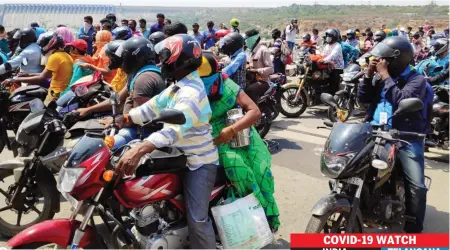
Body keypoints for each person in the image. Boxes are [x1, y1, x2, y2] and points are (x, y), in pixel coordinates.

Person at [115, 34, 218, 249]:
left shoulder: (191, 92)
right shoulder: (177, 86)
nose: (162, 62)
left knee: (197, 220)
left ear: (181, 59)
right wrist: (125, 118)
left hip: (197, 162)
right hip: (175, 157)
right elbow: (150, 108)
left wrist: (141, 149)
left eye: (165, 56)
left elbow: (172, 131)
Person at [198, 51, 280, 230]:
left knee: (260, 169)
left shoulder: (227, 84)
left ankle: (267, 215)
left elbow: (254, 111)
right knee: (238, 166)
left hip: (239, 130)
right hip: (215, 138)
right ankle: (254, 215)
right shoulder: (190, 89)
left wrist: (233, 129)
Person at [358, 36, 430, 233]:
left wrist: (384, 75)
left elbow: (401, 101)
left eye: (384, 60)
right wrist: (368, 76)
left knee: (416, 185)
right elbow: (363, 99)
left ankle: (414, 229)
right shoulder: (381, 77)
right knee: (350, 166)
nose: (381, 62)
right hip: (374, 130)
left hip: (405, 136)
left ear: (397, 60)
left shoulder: (417, 80)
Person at [4, 32, 73, 103]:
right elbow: (48, 74)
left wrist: (15, 80)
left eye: (43, 44)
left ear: (50, 44)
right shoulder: (65, 55)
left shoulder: (55, 57)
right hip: (62, 91)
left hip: (56, 93)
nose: (42, 47)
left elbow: (42, 78)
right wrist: (28, 74)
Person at [311, 29, 344, 96]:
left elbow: (332, 56)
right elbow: (322, 54)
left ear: (333, 37)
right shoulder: (327, 46)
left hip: (337, 68)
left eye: (329, 36)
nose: (327, 38)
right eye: (327, 36)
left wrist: (323, 60)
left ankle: (333, 98)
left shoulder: (337, 46)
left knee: (333, 84)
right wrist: (315, 58)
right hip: (329, 67)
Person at [244, 29, 273, 103]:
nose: (245, 41)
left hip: (263, 80)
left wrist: (256, 70)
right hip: (252, 79)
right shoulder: (250, 51)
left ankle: (255, 111)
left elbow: (271, 69)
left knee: (250, 90)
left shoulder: (263, 50)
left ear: (252, 39)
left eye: (246, 39)